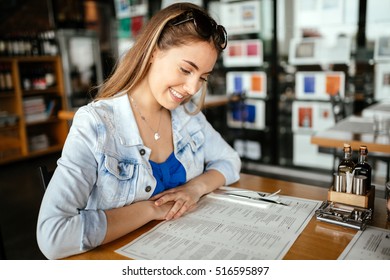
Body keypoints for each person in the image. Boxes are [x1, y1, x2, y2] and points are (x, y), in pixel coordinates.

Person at [37, 2, 241, 259]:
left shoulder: (188, 117)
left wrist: (195, 188)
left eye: (202, 77)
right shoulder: (96, 124)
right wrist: (151, 210)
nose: (192, 88)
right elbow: (53, 236)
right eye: (186, 69)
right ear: (154, 51)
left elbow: (230, 161)